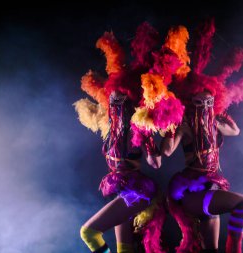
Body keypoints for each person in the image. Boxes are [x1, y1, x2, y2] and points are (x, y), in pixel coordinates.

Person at [75, 22, 190, 253]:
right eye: (113, 98)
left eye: (121, 99)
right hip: (120, 187)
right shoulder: (112, 126)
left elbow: (156, 163)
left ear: (131, 101)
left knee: (88, 232)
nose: (116, 102)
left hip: (135, 191)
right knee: (124, 249)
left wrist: (162, 136)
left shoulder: (139, 127)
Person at [161, 18, 243, 253]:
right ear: (190, 100)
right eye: (199, 101)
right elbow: (166, 151)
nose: (203, 104)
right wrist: (172, 126)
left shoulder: (213, 121)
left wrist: (216, 114)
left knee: (209, 250)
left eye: (208, 100)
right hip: (190, 190)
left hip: (212, 184)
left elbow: (235, 131)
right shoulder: (185, 123)